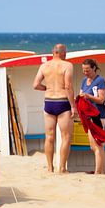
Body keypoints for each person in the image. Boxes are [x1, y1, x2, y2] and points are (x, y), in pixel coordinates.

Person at [33, 44, 76, 173]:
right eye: (65, 52)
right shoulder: (67, 65)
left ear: (53, 53)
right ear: (62, 53)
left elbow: (35, 85)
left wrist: (47, 88)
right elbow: (68, 87)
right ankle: (62, 168)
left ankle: (50, 168)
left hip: (49, 102)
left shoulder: (44, 66)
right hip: (63, 102)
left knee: (49, 137)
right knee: (66, 136)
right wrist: (73, 105)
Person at [79, 58, 105, 174]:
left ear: (94, 68)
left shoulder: (100, 80)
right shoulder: (83, 81)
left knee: (98, 145)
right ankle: (101, 170)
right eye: (84, 70)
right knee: (93, 146)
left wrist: (88, 96)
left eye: (87, 70)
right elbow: (81, 97)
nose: (85, 73)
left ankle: (98, 172)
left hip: (99, 116)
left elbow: (101, 100)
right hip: (88, 116)